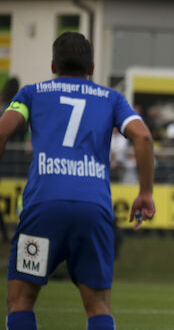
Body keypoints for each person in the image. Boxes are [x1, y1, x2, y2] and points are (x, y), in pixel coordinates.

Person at [0, 32, 155, 330]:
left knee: (20, 300)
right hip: (93, 210)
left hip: (42, 208)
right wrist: (145, 192)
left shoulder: (31, 94)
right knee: (97, 305)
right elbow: (144, 136)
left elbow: (3, 132)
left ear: (53, 65)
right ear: (92, 68)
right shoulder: (111, 98)